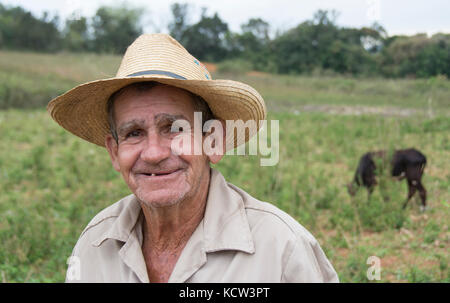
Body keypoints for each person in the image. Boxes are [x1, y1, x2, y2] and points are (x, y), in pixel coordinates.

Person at [48, 33, 339, 283]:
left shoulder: (280, 248)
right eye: (134, 133)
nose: (153, 153)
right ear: (114, 151)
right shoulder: (95, 244)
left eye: (174, 129)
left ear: (213, 141)